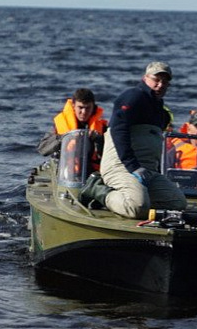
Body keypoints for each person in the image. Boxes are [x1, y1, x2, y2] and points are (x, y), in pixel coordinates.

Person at [80, 62, 187, 217]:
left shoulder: (159, 108)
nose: (160, 84)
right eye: (156, 79)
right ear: (145, 78)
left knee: (178, 204)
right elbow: (118, 129)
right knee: (137, 206)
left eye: (165, 82)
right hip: (122, 167)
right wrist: (133, 166)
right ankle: (97, 190)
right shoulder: (133, 96)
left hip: (147, 170)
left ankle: (129, 198)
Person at [37, 88, 106, 164]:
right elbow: (42, 150)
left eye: (88, 108)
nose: (84, 112)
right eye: (80, 107)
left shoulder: (102, 127)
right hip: (63, 168)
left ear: (93, 108)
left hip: (90, 169)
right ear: (73, 106)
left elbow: (111, 154)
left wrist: (98, 139)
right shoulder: (60, 125)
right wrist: (62, 138)